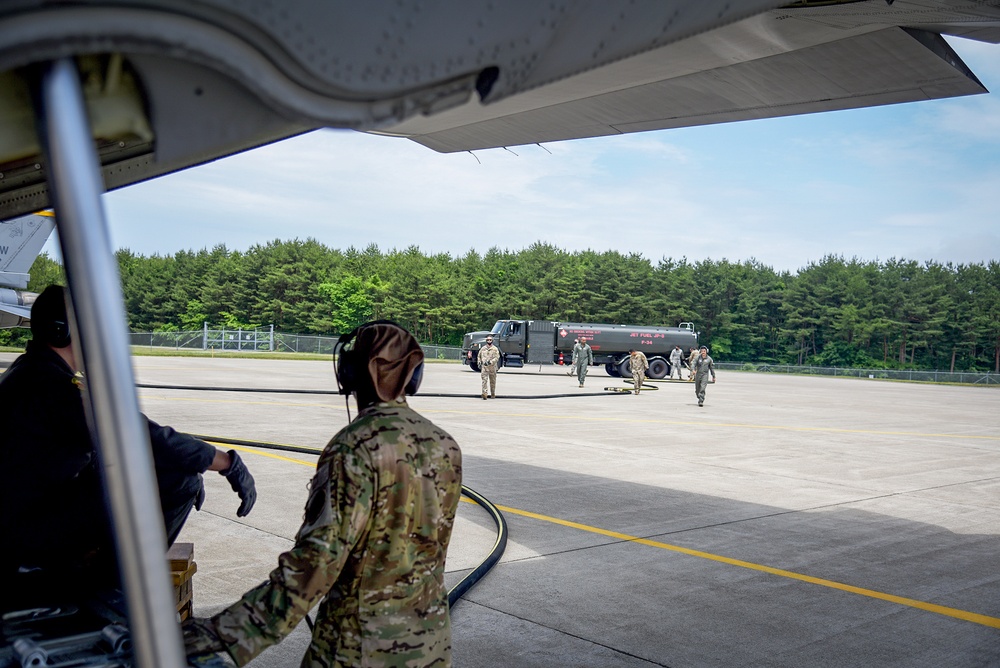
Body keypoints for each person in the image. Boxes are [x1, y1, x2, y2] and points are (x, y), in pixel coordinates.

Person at [184, 320, 463, 668]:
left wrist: (221, 633)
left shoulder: (355, 448)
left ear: (350, 374)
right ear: (413, 377)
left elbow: (316, 564)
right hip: (431, 646)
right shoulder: (445, 444)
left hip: (359, 650)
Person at [0, 285, 256, 605]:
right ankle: (112, 591)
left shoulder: (35, 374)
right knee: (181, 480)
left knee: (173, 467)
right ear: (60, 332)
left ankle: (100, 578)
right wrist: (223, 462)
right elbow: (137, 434)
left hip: (27, 518)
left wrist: (182, 460)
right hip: (26, 533)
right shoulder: (49, 387)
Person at [477, 335, 501, 399]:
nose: (489, 341)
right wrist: (479, 362)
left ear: (492, 341)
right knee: (484, 380)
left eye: (490, 340)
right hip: (484, 367)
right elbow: (479, 356)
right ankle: (484, 393)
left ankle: (493, 393)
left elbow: (497, 357)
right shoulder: (483, 348)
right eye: (488, 340)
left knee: (492, 381)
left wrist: (491, 362)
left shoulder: (495, 349)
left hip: (492, 367)